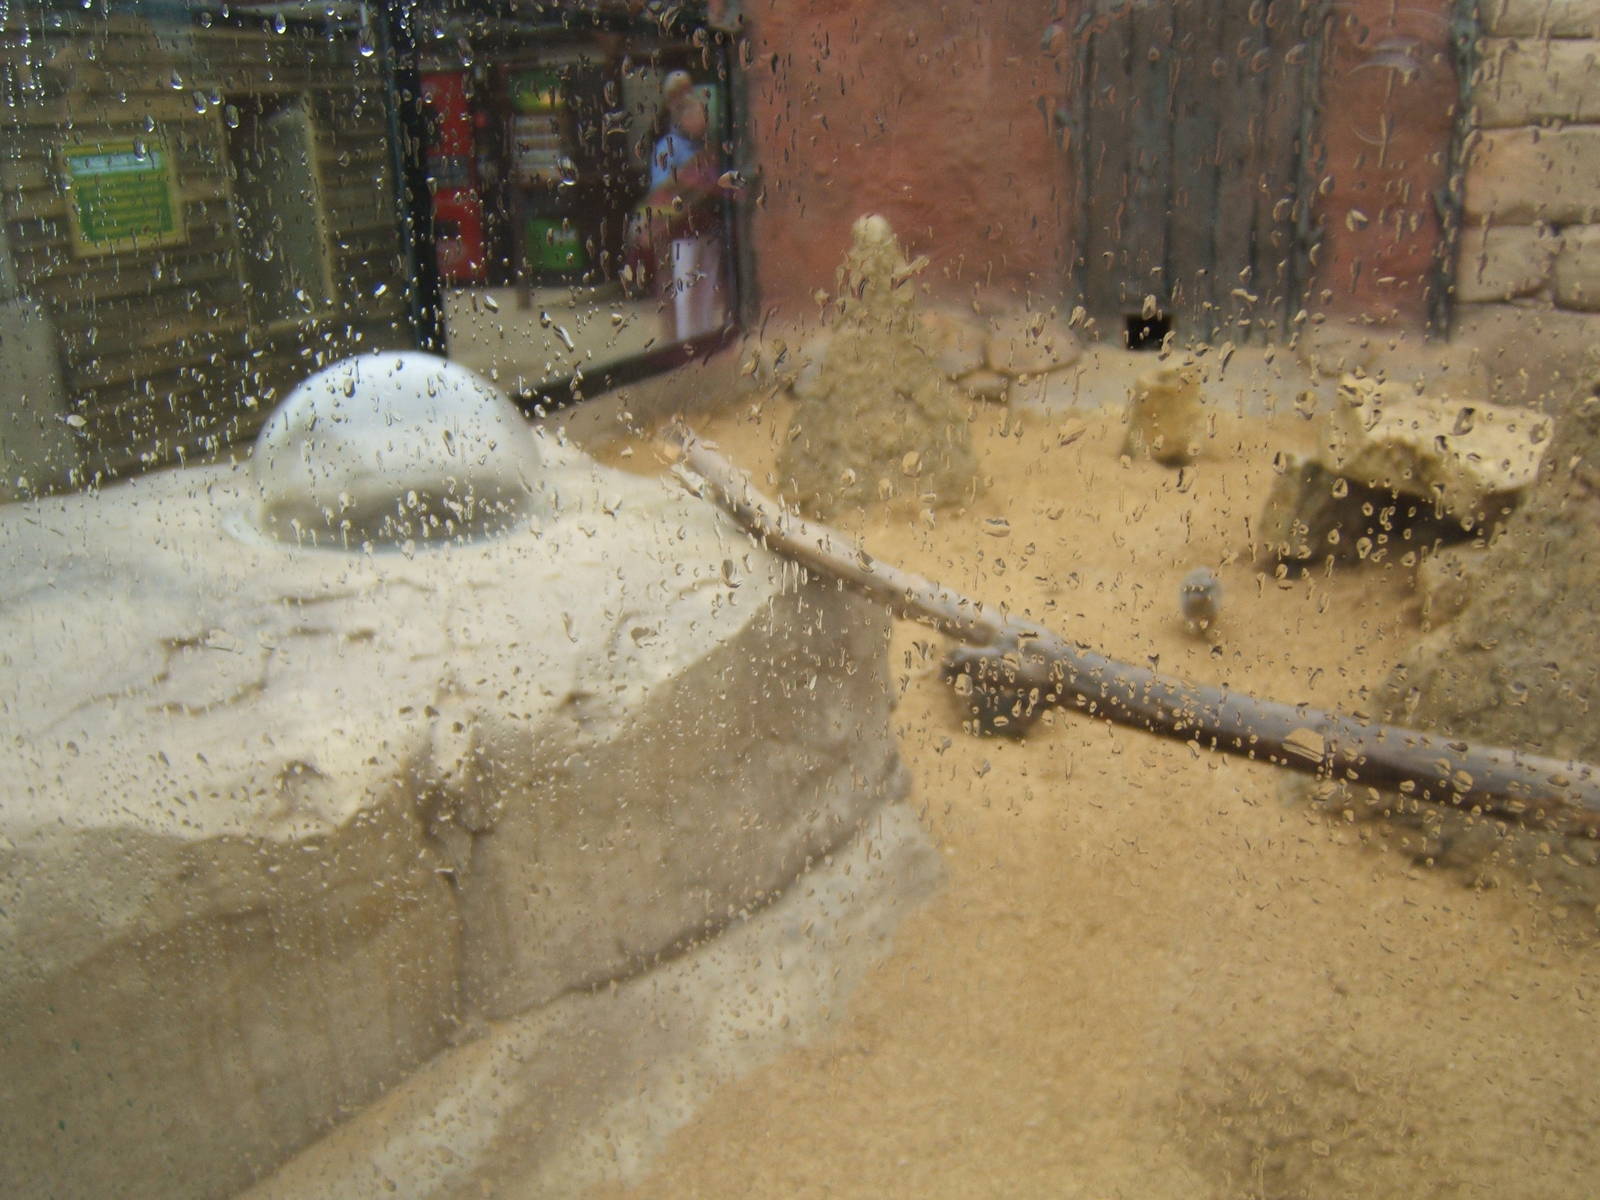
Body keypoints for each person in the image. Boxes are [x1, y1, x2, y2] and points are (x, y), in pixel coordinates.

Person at [628, 71, 726, 341]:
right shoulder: (668, 146)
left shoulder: (705, 148)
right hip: (677, 235)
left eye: (704, 115)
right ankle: (683, 346)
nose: (703, 121)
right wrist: (693, 184)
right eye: (696, 115)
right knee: (681, 296)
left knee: (705, 292)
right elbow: (663, 194)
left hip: (705, 229)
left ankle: (703, 341)